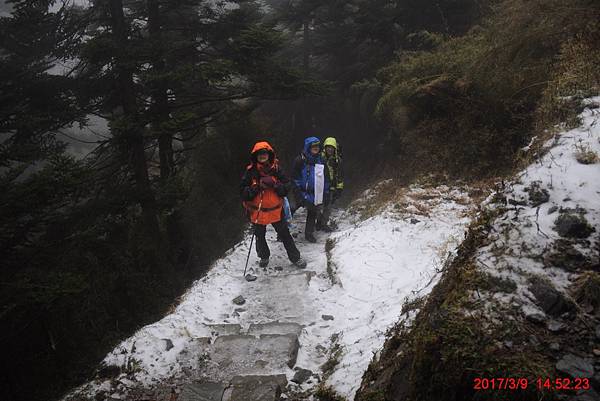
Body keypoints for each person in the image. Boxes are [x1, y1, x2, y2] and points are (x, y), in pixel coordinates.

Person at [241, 141, 307, 268]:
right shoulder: (250, 172)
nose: (262, 156)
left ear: (269, 155)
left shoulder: (276, 169)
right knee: (260, 236)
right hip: (258, 211)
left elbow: (287, 186)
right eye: (259, 154)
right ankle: (264, 257)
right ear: (255, 156)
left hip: (276, 210)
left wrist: (275, 185)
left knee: (285, 235)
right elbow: (243, 192)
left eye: (264, 154)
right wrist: (256, 187)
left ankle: (295, 258)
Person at [292, 136, 330, 243]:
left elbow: (326, 177)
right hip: (302, 191)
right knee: (292, 209)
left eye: (317, 146)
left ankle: (309, 233)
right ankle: (282, 232)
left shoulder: (321, 160)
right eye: (313, 146)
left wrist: (326, 192)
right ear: (308, 147)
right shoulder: (300, 160)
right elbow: (295, 177)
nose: (316, 148)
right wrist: (297, 193)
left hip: (315, 193)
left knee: (312, 212)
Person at [319, 137, 344, 230]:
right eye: (328, 147)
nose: (329, 149)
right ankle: (319, 221)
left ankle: (323, 224)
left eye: (332, 147)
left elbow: (340, 174)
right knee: (317, 206)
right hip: (320, 186)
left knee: (328, 207)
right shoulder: (319, 158)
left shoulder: (337, 161)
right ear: (324, 148)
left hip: (331, 187)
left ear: (335, 149)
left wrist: (339, 188)